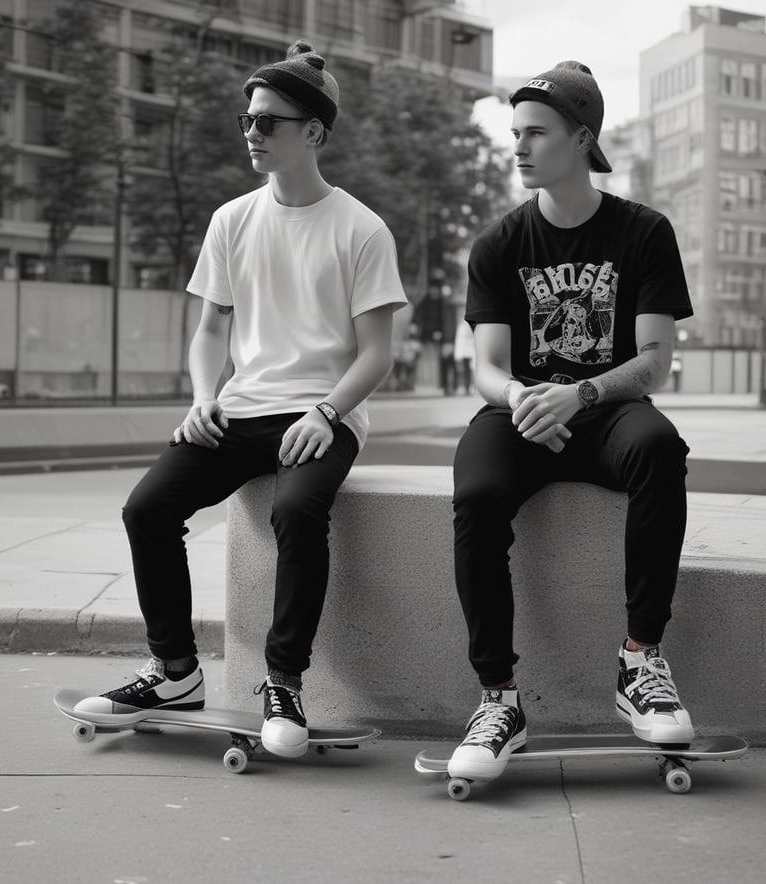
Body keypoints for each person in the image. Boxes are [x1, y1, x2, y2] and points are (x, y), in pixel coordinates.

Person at [74, 41, 408, 758]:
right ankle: (174, 671)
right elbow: (209, 329)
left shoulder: (362, 229)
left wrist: (328, 412)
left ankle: (283, 682)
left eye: (267, 122)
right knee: (146, 508)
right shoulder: (232, 220)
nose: (251, 133)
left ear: (313, 132)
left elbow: (378, 352)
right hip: (238, 408)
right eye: (246, 119)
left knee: (296, 509)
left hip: (323, 412)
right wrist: (202, 396)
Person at [448, 60, 695, 783]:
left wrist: (579, 396)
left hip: (605, 414)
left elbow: (653, 362)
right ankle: (497, 701)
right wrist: (525, 398)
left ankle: (640, 661)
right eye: (514, 134)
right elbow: (486, 367)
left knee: (659, 446)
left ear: (582, 139)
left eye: (536, 133)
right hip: (522, 413)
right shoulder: (498, 244)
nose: (519, 148)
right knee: (476, 492)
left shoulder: (644, 232)